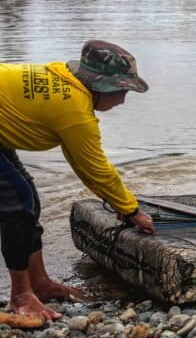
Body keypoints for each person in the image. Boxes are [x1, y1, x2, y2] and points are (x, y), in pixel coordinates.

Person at [0, 40, 155, 321]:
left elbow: (81, 164)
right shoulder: (74, 111)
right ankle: (21, 297)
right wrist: (132, 210)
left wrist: (118, 202)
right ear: (102, 87)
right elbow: (97, 169)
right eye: (121, 91)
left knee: (28, 197)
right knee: (18, 203)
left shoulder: (67, 81)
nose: (122, 100)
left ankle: (39, 283)